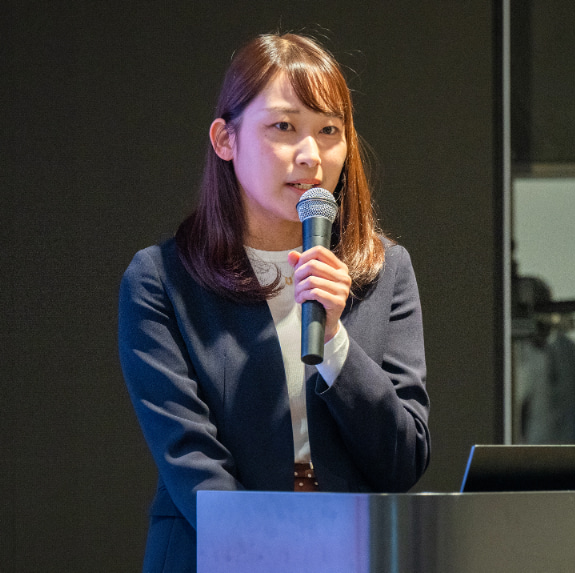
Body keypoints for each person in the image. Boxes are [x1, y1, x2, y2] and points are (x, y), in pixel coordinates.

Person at [118, 32, 430, 572]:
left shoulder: (386, 271)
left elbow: (403, 459)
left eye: (329, 130)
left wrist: (335, 341)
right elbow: (192, 462)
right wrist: (276, 553)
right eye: (284, 127)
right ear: (226, 139)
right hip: (212, 553)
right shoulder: (161, 279)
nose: (310, 155)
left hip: (350, 551)